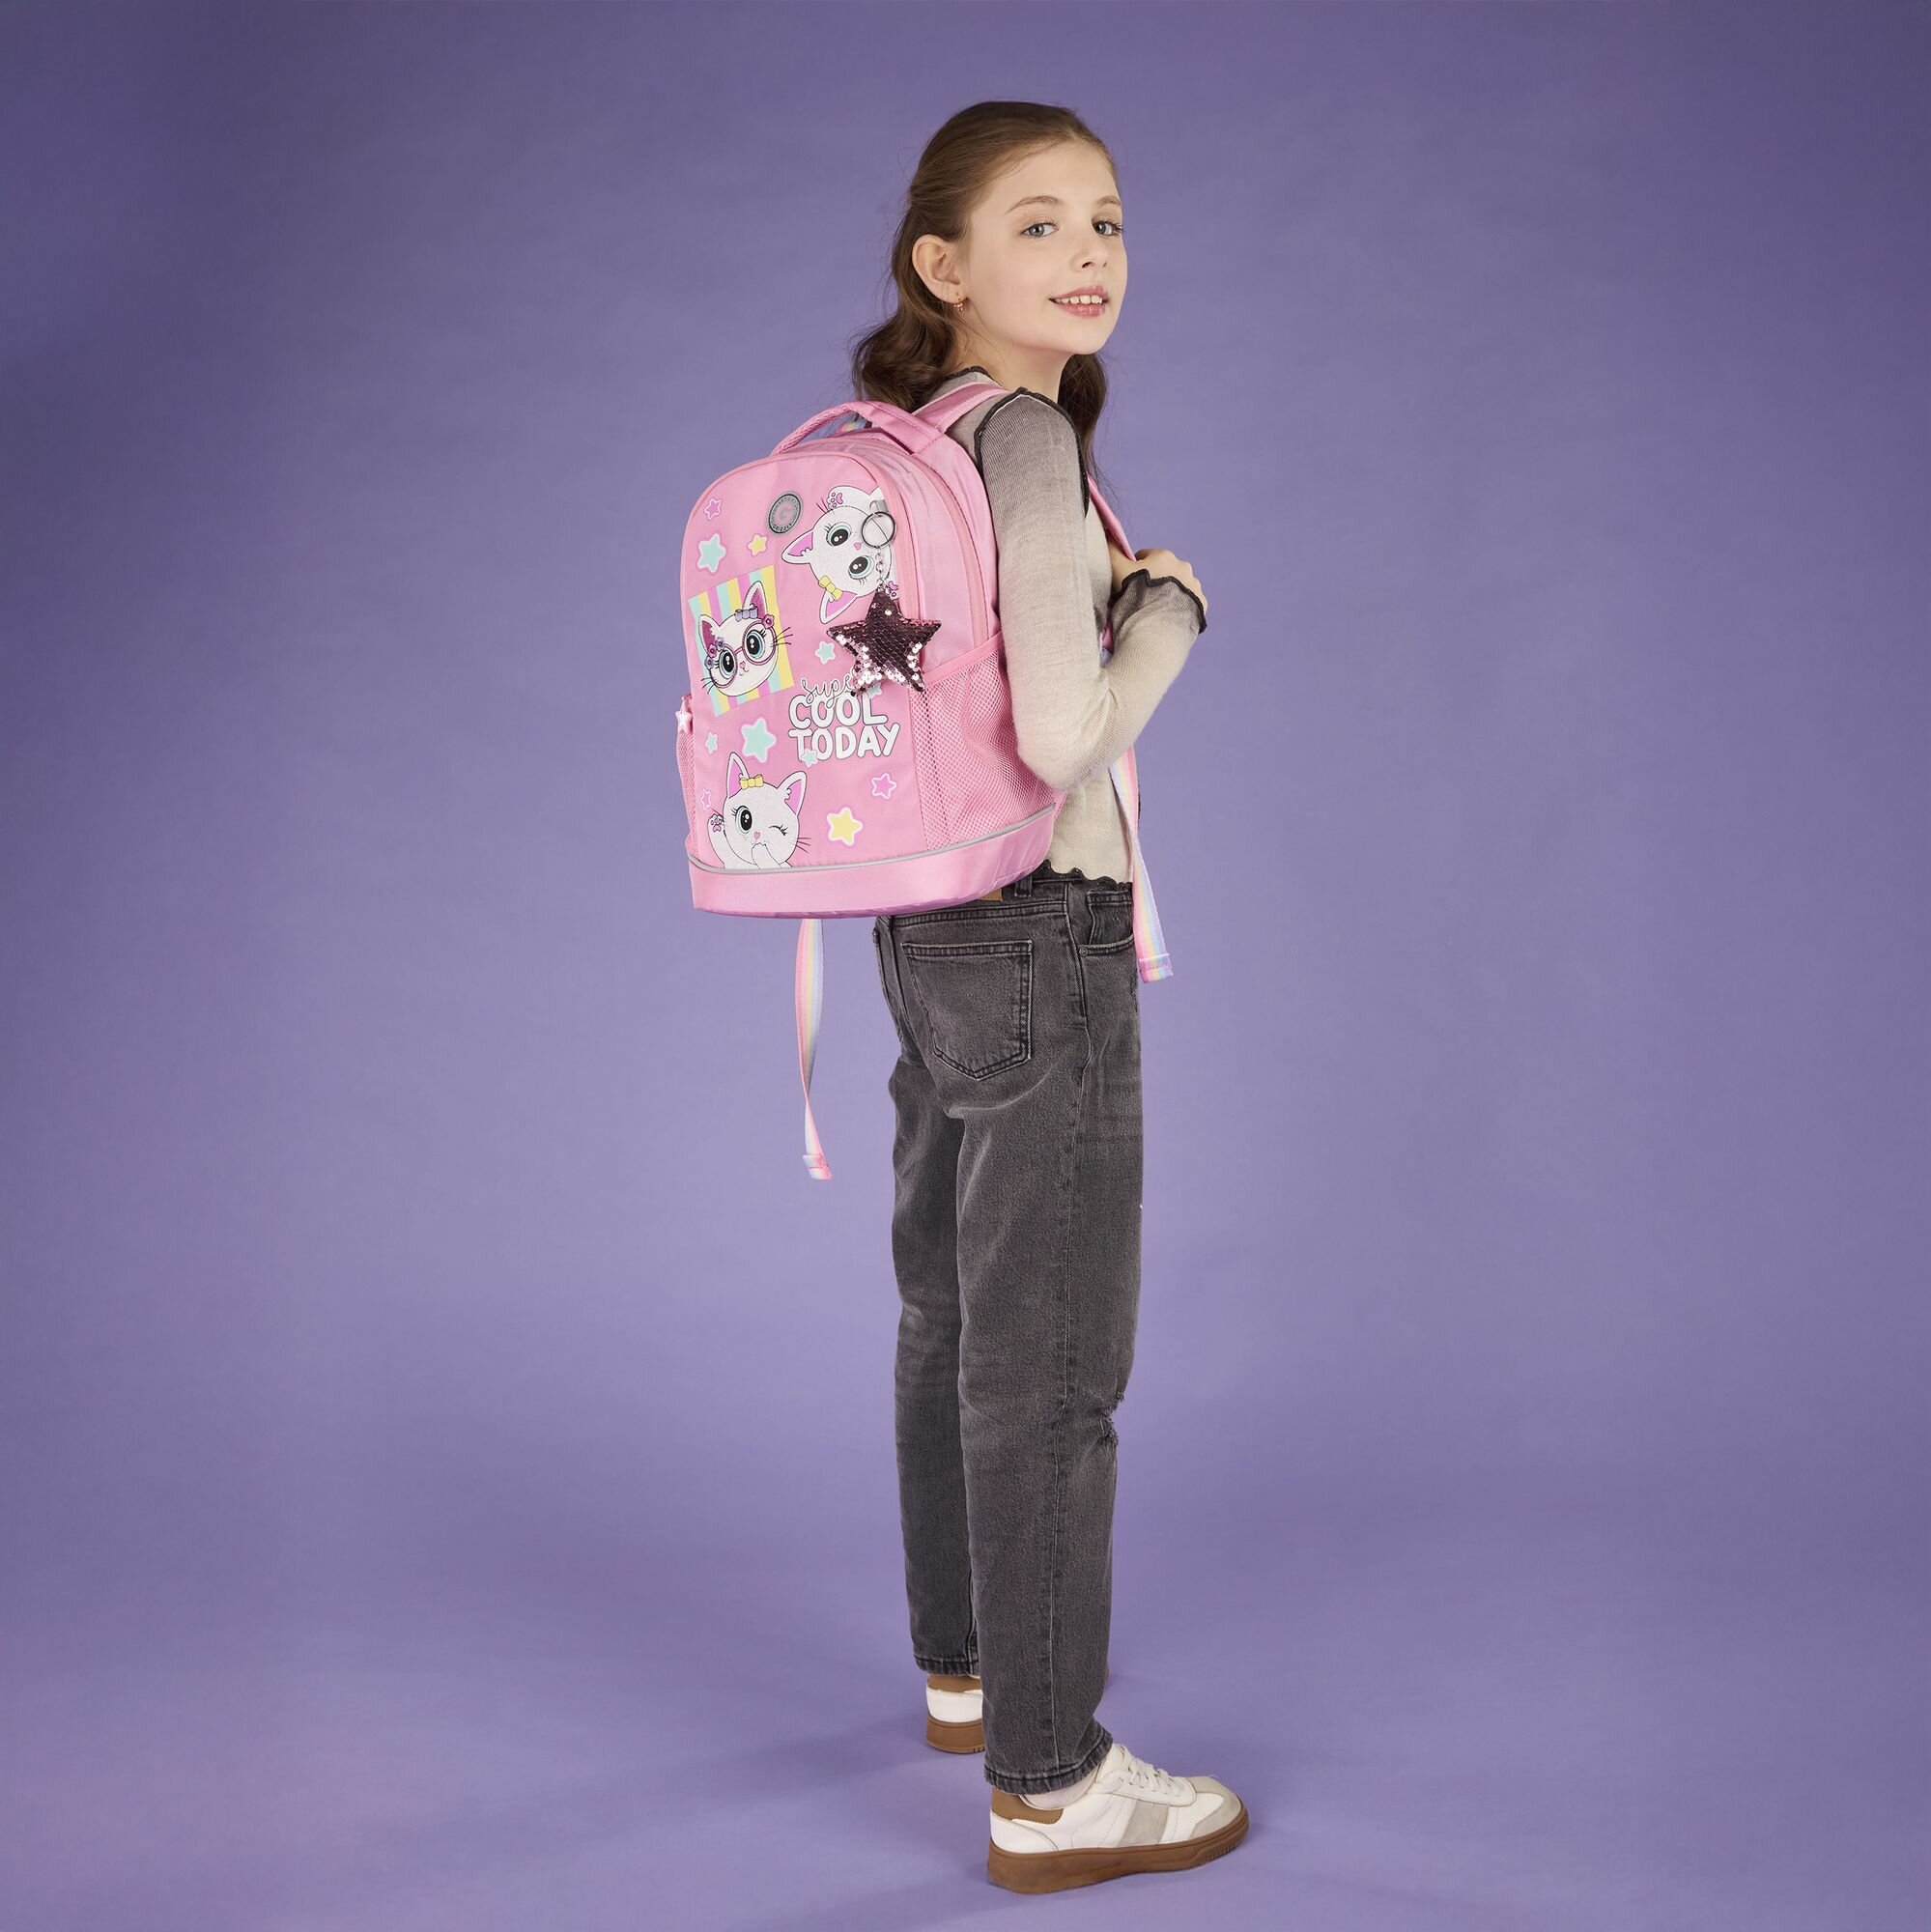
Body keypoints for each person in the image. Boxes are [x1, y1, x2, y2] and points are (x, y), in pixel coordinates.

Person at [848, 100, 1249, 1893]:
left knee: (950, 1317)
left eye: (1106, 220)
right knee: (1056, 1369)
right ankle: (1053, 1780)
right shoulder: (1018, 437)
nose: (1090, 253)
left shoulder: (913, 438)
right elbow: (1065, 732)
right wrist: (1167, 611)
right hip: (1038, 924)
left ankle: (964, 1671)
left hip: (924, 924)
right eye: (1038, 224)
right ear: (943, 266)